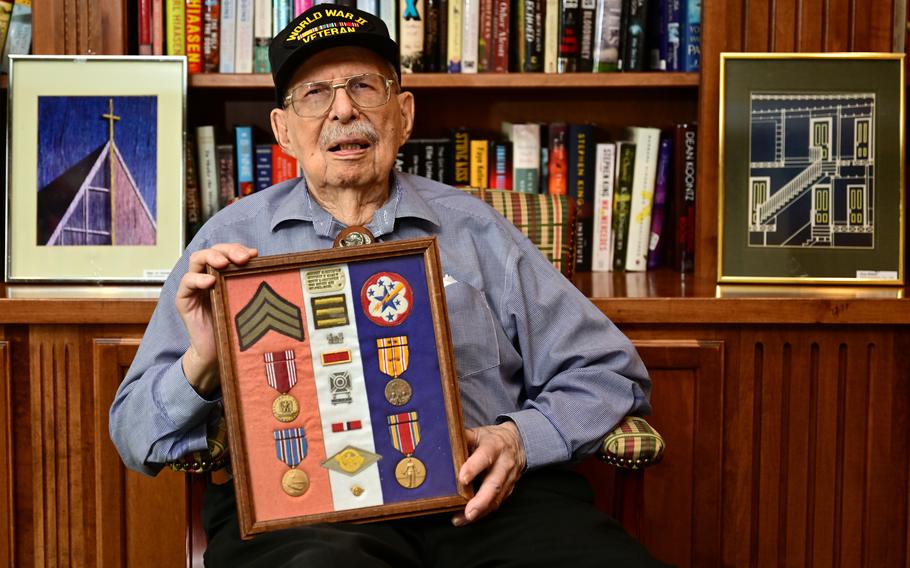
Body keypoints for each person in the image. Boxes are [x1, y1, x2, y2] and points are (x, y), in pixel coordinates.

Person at [110, 5, 664, 566]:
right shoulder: (227, 242)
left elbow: (608, 371)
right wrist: (204, 359)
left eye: (363, 86)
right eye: (315, 93)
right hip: (306, 516)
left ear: (403, 113)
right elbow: (135, 437)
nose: (344, 109)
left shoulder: (476, 228)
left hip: (486, 502)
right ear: (282, 130)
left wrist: (519, 438)